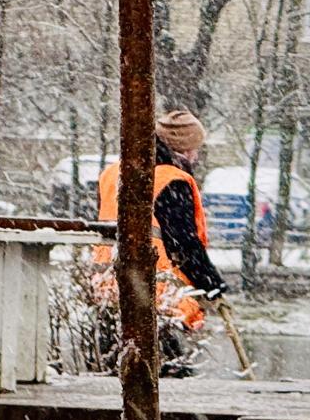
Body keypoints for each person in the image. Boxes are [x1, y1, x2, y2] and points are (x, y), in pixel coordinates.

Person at [95, 109, 228, 332]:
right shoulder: (171, 180)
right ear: (183, 149)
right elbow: (183, 243)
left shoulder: (113, 173)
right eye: (195, 149)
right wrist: (211, 284)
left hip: (108, 288)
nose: (196, 156)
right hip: (154, 292)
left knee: (115, 360)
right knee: (164, 364)